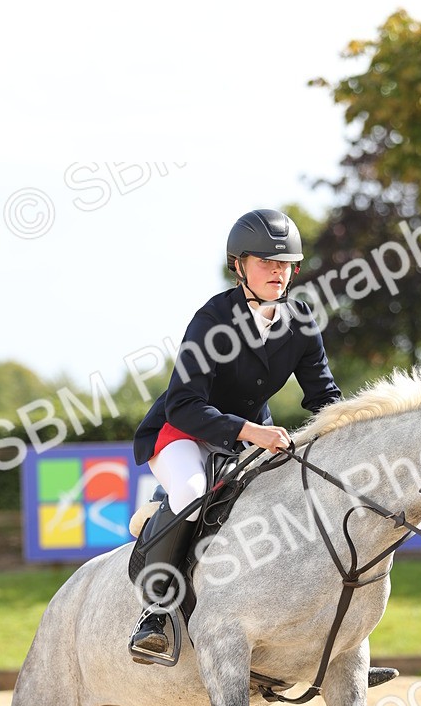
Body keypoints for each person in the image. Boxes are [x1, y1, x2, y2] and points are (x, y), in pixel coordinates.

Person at [129, 208, 342, 661]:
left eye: (285, 263)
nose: (277, 272)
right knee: (192, 491)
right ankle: (155, 610)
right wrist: (252, 432)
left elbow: (324, 396)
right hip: (181, 432)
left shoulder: (302, 321)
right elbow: (183, 404)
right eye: (266, 262)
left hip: (247, 437)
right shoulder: (212, 319)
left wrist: (353, 430)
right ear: (239, 265)